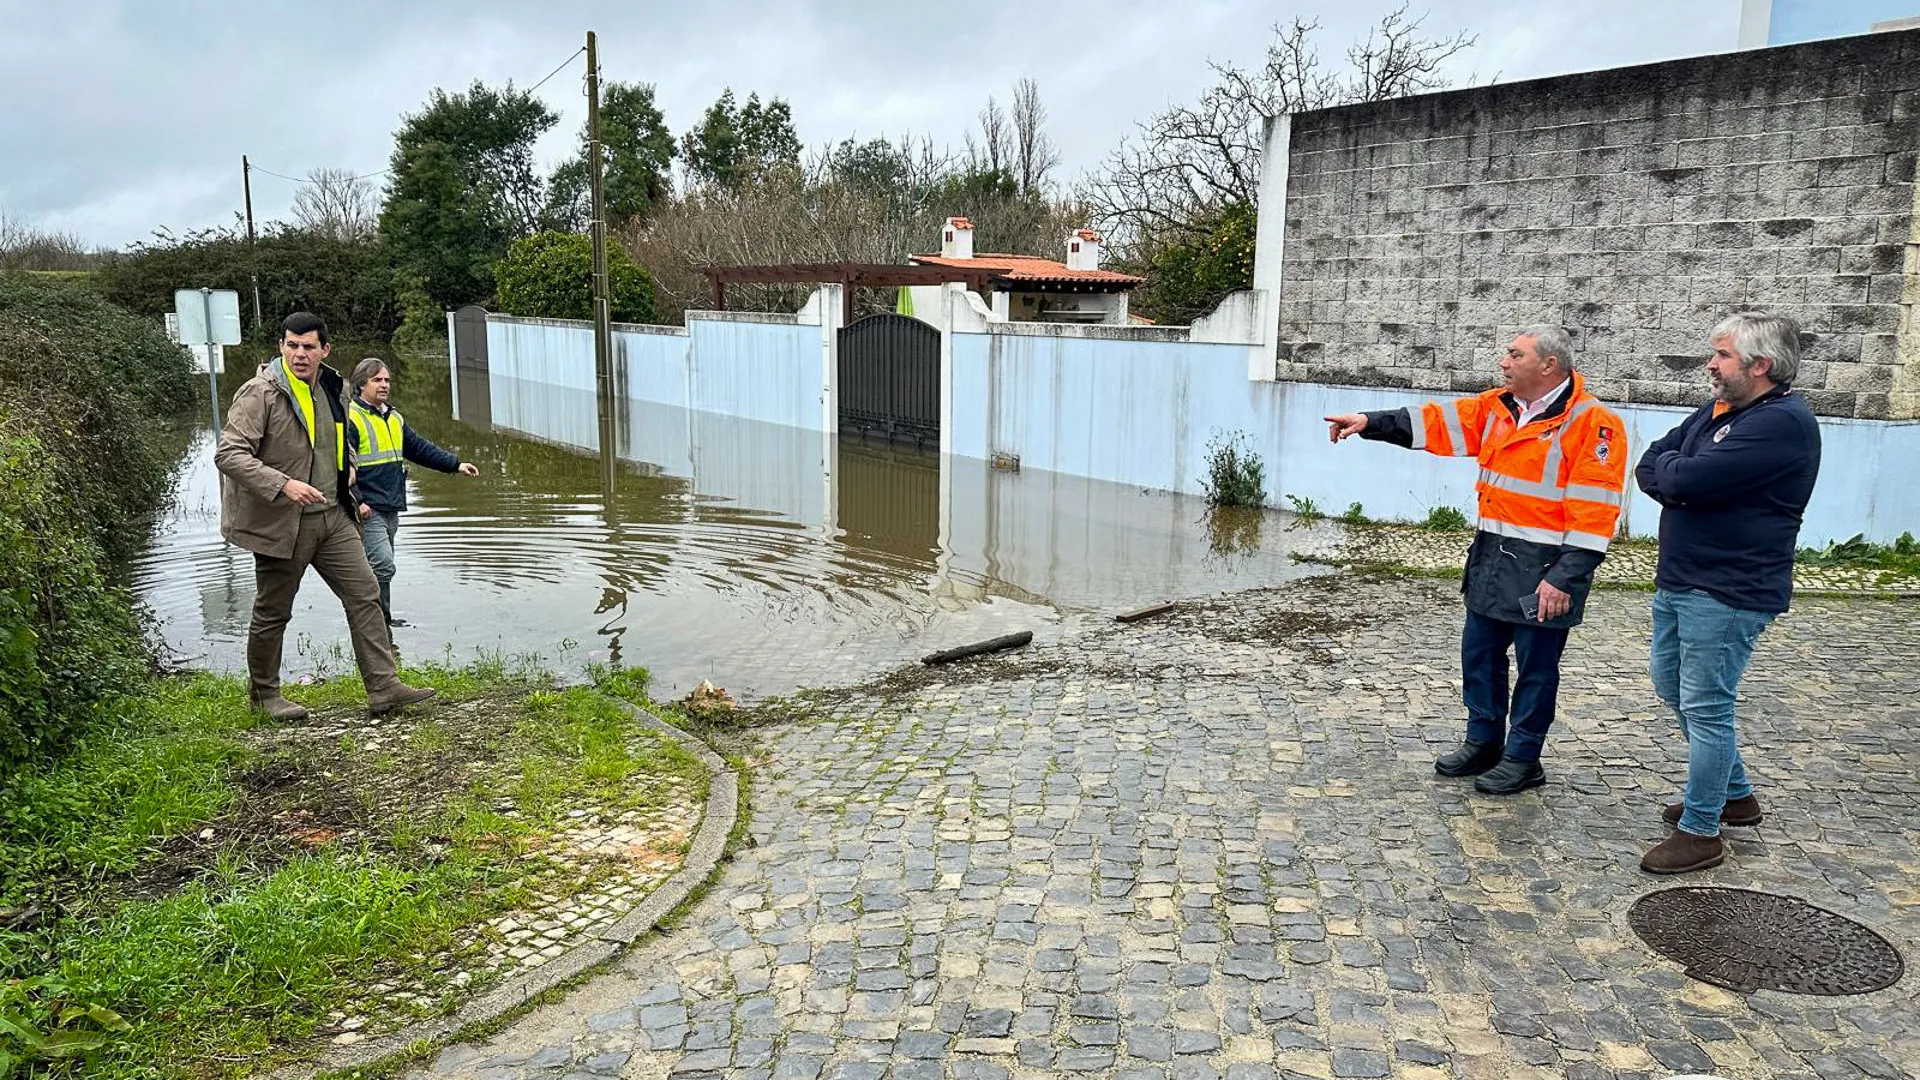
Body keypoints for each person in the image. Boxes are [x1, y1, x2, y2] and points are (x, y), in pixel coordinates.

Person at [1325, 327, 1629, 795]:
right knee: (1480, 657)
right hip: (1493, 556)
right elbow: (1431, 422)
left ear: (1548, 365)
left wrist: (1565, 578)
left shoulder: (1595, 425)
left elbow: (1595, 513)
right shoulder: (1497, 406)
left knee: (1537, 669)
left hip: (1547, 569)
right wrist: (1369, 421)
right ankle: (1483, 741)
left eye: (1514, 354)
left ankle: (1524, 758)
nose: (1503, 362)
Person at [1634, 311, 1821, 874]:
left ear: (1760, 365)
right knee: (1670, 683)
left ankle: (1702, 830)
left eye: (1722, 356)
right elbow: (1652, 464)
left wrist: (1680, 477)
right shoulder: (1721, 411)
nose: (1710, 366)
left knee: (1707, 705)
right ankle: (1736, 795)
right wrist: (1679, 475)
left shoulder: (1781, 422)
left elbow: (1683, 480)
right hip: (1683, 578)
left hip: (1728, 589)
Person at [214, 313, 436, 721]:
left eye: (308, 346)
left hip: (333, 515)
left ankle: (383, 686)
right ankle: (264, 696)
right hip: (283, 520)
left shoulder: (335, 387)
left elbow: (337, 439)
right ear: (281, 346)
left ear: (324, 350)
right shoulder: (258, 393)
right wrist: (283, 485)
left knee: (365, 593)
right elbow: (229, 454)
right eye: (292, 345)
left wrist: (348, 465)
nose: (300, 354)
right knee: (273, 610)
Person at [346, 357, 480, 628]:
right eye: (377, 380)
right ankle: (374, 621)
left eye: (387, 380)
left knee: (382, 567)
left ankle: (380, 621)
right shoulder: (351, 417)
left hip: (390, 505)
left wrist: (456, 464)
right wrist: (357, 500)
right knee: (383, 564)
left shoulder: (394, 418)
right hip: (367, 508)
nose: (384, 385)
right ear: (361, 384)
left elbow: (419, 449)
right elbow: (339, 465)